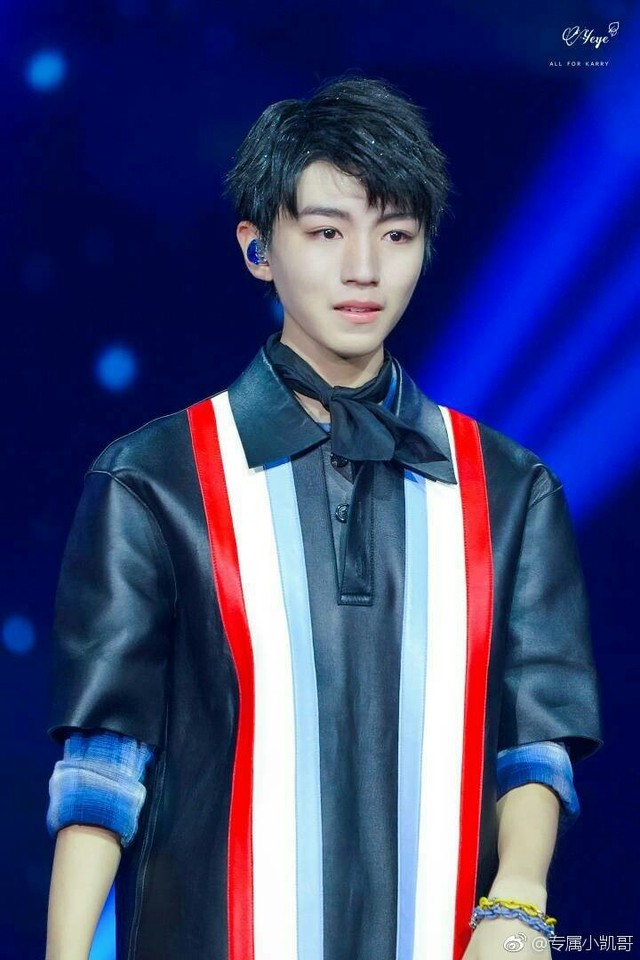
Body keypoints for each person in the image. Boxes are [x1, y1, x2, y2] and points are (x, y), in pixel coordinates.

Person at [44, 75, 603, 960]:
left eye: (397, 234)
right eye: (327, 232)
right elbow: (103, 766)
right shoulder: (154, 479)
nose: (364, 270)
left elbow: (535, 741)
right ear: (257, 248)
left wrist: (520, 902)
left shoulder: (509, 488)